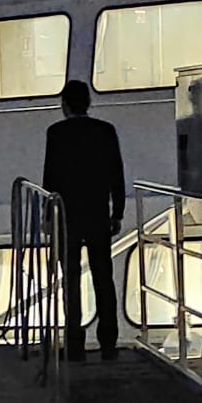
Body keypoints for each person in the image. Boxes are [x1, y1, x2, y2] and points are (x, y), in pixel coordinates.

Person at [43, 79, 125, 361]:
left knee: (71, 280)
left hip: (68, 216)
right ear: (88, 103)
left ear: (65, 105)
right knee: (103, 278)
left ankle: (74, 344)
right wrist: (117, 212)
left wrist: (48, 216)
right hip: (97, 213)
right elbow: (116, 174)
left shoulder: (56, 133)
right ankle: (108, 343)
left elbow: (50, 178)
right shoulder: (105, 131)